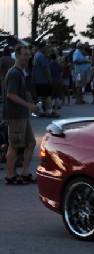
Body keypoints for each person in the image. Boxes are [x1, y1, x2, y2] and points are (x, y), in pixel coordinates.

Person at [2, 45, 40, 185]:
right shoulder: (14, 73)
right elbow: (10, 94)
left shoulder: (22, 72)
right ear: (17, 55)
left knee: (31, 142)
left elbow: (19, 92)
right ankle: (10, 176)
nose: (28, 57)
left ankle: (24, 173)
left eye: (29, 55)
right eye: (25, 54)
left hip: (22, 114)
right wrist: (29, 105)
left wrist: (29, 98)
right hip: (15, 115)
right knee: (15, 145)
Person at [32, 42, 54, 116]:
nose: (47, 49)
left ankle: (41, 111)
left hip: (37, 80)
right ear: (42, 47)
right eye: (45, 47)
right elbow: (46, 69)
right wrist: (50, 78)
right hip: (43, 80)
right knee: (47, 96)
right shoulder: (42, 56)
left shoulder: (36, 55)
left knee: (40, 97)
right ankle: (50, 111)